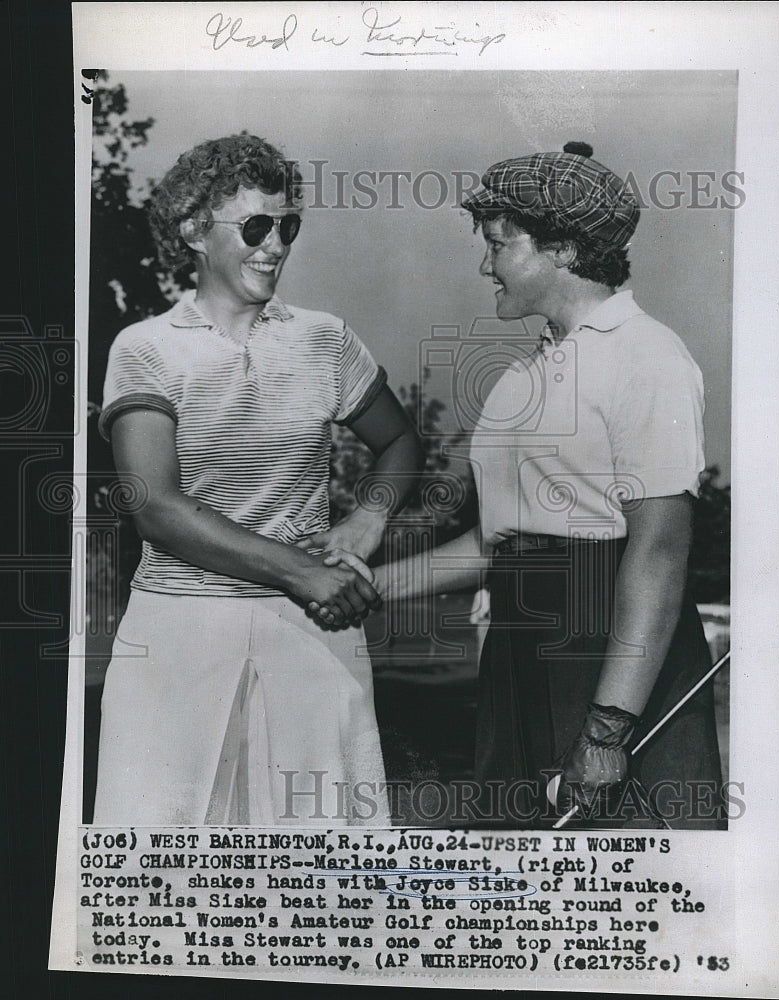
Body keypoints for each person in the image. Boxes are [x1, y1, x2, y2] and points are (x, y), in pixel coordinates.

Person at [375, 141, 725, 829]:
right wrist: (362, 583)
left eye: (500, 245)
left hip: (608, 655)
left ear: (563, 248)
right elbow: (494, 545)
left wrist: (605, 730)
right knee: (520, 875)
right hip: (516, 648)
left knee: (630, 887)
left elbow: (658, 552)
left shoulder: (647, 354)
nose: (486, 264)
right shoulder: (520, 379)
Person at [93, 134, 423, 826]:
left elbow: (398, 442)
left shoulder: (326, 338)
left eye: (287, 226)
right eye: (254, 226)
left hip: (311, 633)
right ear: (193, 232)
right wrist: (303, 573)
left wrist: (368, 518)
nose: (275, 245)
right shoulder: (144, 347)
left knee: (324, 871)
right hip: (179, 637)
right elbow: (157, 508)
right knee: (164, 877)